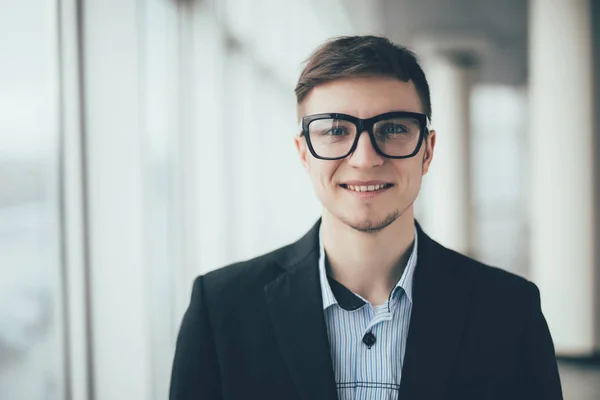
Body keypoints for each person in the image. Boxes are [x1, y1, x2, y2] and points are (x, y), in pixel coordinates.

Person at [169, 35, 563, 400]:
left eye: (392, 129)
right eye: (337, 130)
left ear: (426, 151)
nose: (365, 158)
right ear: (304, 153)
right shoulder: (221, 311)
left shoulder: (509, 312)